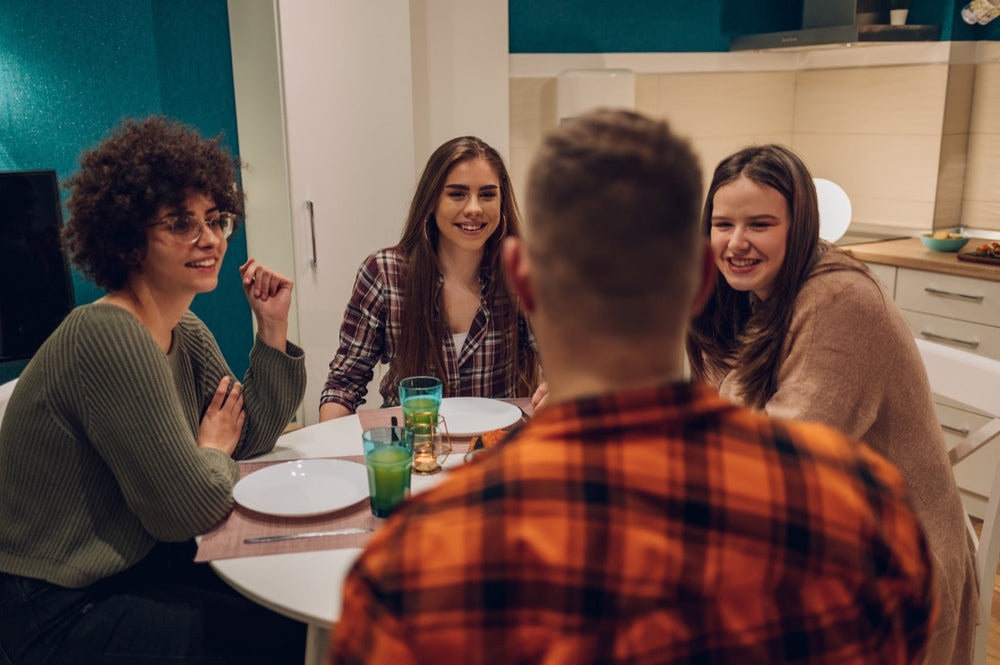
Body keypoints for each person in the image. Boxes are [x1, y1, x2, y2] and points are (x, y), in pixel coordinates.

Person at [327, 110, 936, 664]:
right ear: (703, 274)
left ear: (523, 279)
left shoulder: (409, 564)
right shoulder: (870, 510)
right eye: (726, 224)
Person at [0, 116, 307, 664]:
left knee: (293, 607)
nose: (209, 238)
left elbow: (251, 432)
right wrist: (210, 451)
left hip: (133, 565)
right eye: (180, 223)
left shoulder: (181, 328)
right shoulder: (108, 334)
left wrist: (272, 328)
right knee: (287, 639)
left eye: (215, 220)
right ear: (127, 241)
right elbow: (186, 509)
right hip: (54, 606)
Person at [686, 143, 976, 665]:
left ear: (800, 227)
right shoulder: (752, 294)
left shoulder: (839, 302)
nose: (736, 243)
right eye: (722, 224)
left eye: (760, 224)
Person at [319, 136, 539, 421]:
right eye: (457, 194)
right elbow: (343, 385)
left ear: (502, 202)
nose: (474, 208)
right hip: (414, 445)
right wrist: (331, 454)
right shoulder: (384, 273)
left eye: (487, 194)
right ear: (432, 201)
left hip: (496, 447)